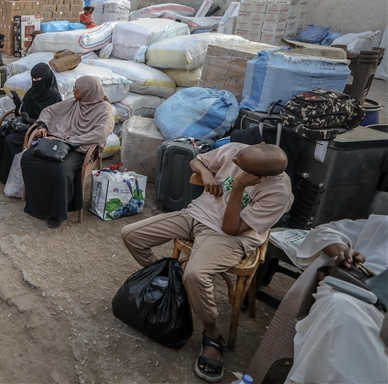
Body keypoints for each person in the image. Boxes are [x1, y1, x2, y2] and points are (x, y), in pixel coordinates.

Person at [119, 142, 293, 383]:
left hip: (228, 236)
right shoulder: (236, 151)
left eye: (239, 165)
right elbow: (196, 160)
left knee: (195, 274)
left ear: (257, 176)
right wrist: (206, 172)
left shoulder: (279, 193)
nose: (234, 161)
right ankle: (172, 283)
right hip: (195, 215)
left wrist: (240, 187)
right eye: (238, 156)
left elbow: (230, 229)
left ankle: (212, 332)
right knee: (131, 234)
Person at [286, 214, 388, 384]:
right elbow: (325, 231)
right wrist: (342, 252)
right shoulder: (383, 225)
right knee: (340, 309)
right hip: (356, 294)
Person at [21, 76, 114, 228]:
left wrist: (73, 140)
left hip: (82, 148)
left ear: (87, 91)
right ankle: (37, 205)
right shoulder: (74, 103)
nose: (74, 90)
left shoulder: (104, 109)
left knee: (59, 170)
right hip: (61, 142)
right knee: (28, 157)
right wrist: (43, 126)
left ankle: (58, 213)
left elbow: (100, 133)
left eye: (77, 87)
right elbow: (49, 111)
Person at [0, 63, 62, 183]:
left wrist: (32, 121)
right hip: (23, 124)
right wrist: (18, 106)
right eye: (33, 79)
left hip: (37, 129)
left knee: (10, 140)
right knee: (0, 132)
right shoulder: (32, 91)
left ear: (46, 78)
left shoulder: (53, 96)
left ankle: (11, 177)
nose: (35, 82)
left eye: (38, 79)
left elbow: (52, 121)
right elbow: (23, 111)